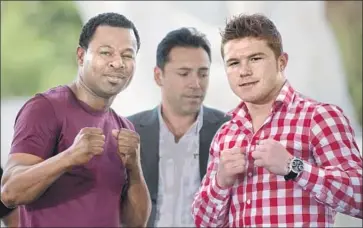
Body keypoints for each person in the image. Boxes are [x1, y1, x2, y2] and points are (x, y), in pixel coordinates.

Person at [192, 13, 363, 227]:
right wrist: (220, 182)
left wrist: (294, 167)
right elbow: (202, 222)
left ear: (281, 62)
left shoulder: (318, 118)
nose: (244, 71)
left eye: (255, 59)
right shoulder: (225, 134)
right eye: (234, 63)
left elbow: (359, 196)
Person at [0, 12, 151, 227]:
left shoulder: (123, 126)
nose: (118, 63)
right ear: (81, 56)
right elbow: (9, 192)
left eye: (127, 55)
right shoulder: (45, 108)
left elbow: (135, 223)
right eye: (106, 52)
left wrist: (134, 168)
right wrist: (70, 156)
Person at [127, 27, 229, 227]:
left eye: (203, 74)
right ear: (158, 76)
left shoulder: (228, 130)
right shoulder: (130, 130)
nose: (196, 84)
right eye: (184, 73)